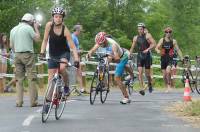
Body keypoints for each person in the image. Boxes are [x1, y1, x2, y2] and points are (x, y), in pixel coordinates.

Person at [40, 7, 79, 101]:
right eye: (56, 16)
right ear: (53, 17)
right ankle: (49, 99)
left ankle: (66, 86)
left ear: (62, 18)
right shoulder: (49, 26)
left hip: (63, 53)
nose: (58, 18)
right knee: (51, 77)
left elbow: (73, 46)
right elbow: (45, 40)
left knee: (62, 68)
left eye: (60, 17)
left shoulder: (65, 29)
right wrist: (42, 52)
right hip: (52, 53)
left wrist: (77, 59)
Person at [86, 32, 134, 104]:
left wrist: (110, 56)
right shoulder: (100, 41)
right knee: (103, 63)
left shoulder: (113, 44)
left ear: (105, 40)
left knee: (117, 78)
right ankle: (101, 82)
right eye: (99, 44)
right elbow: (93, 50)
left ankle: (126, 97)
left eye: (101, 44)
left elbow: (117, 58)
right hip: (113, 55)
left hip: (122, 57)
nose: (100, 45)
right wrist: (89, 54)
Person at [10, 13, 41, 107]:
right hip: (27, 54)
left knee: (19, 79)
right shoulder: (29, 28)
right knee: (32, 78)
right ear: (31, 21)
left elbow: (11, 46)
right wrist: (36, 28)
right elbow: (37, 39)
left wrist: (17, 52)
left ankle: (19, 102)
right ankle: (33, 102)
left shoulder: (13, 29)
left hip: (17, 55)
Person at [130, 23, 156, 95]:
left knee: (147, 74)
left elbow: (154, 44)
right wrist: (130, 54)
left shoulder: (148, 35)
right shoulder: (135, 37)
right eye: (138, 29)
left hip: (147, 55)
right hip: (140, 55)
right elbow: (132, 47)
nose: (139, 30)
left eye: (141, 29)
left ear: (144, 29)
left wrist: (148, 49)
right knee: (140, 73)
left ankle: (150, 84)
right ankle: (142, 88)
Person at [155, 27, 183, 92]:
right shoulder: (162, 40)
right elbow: (156, 47)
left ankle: (169, 86)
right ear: (165, 33)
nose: (168, 33)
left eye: (169, 32)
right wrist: (158, 51)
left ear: (171, 33)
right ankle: (166, 86)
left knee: (168, 71)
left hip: (170, 58)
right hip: (163, 58)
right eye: (167, 32)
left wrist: (181, 57)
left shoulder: (173, 41)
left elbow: (178, 50)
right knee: (164, 75)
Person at [70, 24, 87, 93]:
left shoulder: (75, 37)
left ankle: (81, 88)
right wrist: (78, 51)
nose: (80, 32)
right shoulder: (72, 37)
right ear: (77, 30)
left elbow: (75, 48)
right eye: (80, 31)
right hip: (73, 57)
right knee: (75, 72)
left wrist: (79, 51)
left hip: (76, 56)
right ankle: (73, 88)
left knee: (79, 72)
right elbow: (70, 48)